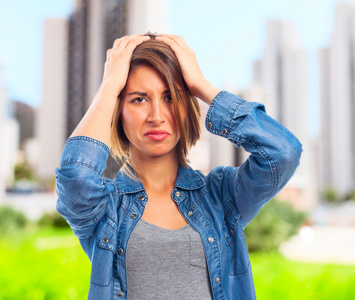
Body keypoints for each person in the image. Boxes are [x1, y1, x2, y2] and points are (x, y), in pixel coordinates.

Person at [55, 33, 302, 300]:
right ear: (118, 109)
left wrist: (200, 85)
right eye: (139, 99)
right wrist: (109, 85)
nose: (157, 117)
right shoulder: (104, 207)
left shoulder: (221, 196)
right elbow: (75, 178)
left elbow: (283, 152)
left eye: (171, 97)